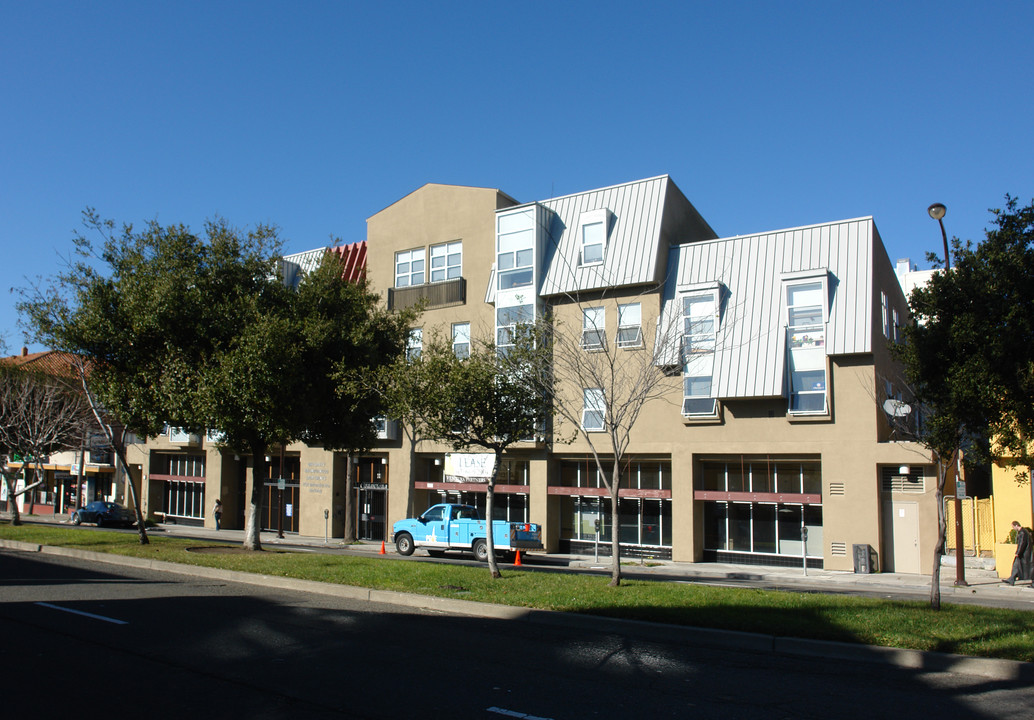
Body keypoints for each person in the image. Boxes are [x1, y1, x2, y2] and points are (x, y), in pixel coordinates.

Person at [1003, 520, 1031, 585]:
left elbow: (1022, 543)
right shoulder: (1024, 531)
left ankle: (1012, 579)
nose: (1013, 529)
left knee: (1016, 565)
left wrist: (1018, 552)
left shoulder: (1022, 533)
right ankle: (1012, 578)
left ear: (1016, 525)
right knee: (1017, 566)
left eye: (1013, 527)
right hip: (1024, 554)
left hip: (1023, 554)